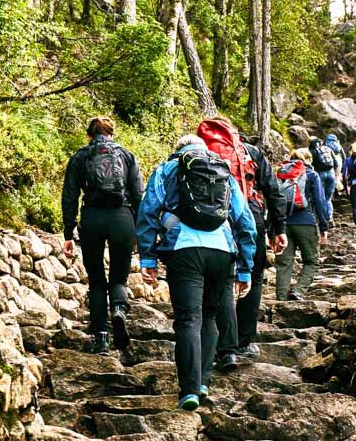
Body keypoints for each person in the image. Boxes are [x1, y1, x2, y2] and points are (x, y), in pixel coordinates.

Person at [136, 135, 257, 411]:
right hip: (223, 251)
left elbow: (148, 210)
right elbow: (245, 219)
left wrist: (148, 256)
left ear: (178, 150)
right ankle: (203, 381)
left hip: (184, 249)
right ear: (205, 151)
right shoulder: (224, 170)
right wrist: (246, 268)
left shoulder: (168, 169)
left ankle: (189, 389)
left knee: (188, 319)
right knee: (210, 316)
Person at [206, 124, 287, 365]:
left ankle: (218, 342)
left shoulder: (199, 151)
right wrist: (278, 230)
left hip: (213, 218)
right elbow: (274, 192)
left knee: (220, 278)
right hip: (250, 215)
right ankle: (243, 341)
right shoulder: (250, 151)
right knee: (253, 274)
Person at [62, 116, 143, 355]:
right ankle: (118, 309)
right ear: (112, 135)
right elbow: (139, 195)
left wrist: (68, 231)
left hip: (92, 219)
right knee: (119, 277)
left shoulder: (80, 157)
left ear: (89, 136)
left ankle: (101, 337)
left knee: (96, 279)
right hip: (122, 218)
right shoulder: (127, 156)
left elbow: (69, 196)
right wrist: (140, 231)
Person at [274, 148, 330, 301]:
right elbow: (320, 201)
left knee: (284, 262)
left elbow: (271, 200)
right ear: (308, 160)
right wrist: (324, 226)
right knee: (312, 261)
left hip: (283, 224)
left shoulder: (281, 173)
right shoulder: (311, 174)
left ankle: (281, 296)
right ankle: (298, 291)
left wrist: (272, 228)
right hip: (306, 222)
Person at [308, 137, 337, 224]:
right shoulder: (328, 149)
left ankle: (322, 219)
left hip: (320, 174)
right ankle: (330, 218)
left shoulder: (312, 151)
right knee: (328, 198)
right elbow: (336, 162)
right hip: (331, 174)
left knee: (320, 197)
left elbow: (310, 164)